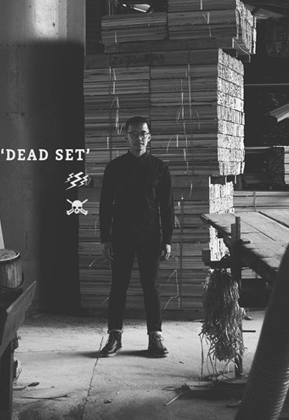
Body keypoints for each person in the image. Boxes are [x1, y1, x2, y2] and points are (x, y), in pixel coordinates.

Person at [98, 116, 174, 358]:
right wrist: (105, 238)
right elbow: (105, 206)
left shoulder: (160, 168)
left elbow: (167, 207)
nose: (138, 138)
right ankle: (114, 336)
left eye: (143, 133)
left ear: (149, 137)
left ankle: (155, 337)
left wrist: (167, 239)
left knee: (151, 287)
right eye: (133, 134)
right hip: (121, 237)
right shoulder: (114, 168)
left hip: (150, 237)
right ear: (126, 137)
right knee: (118, 286)